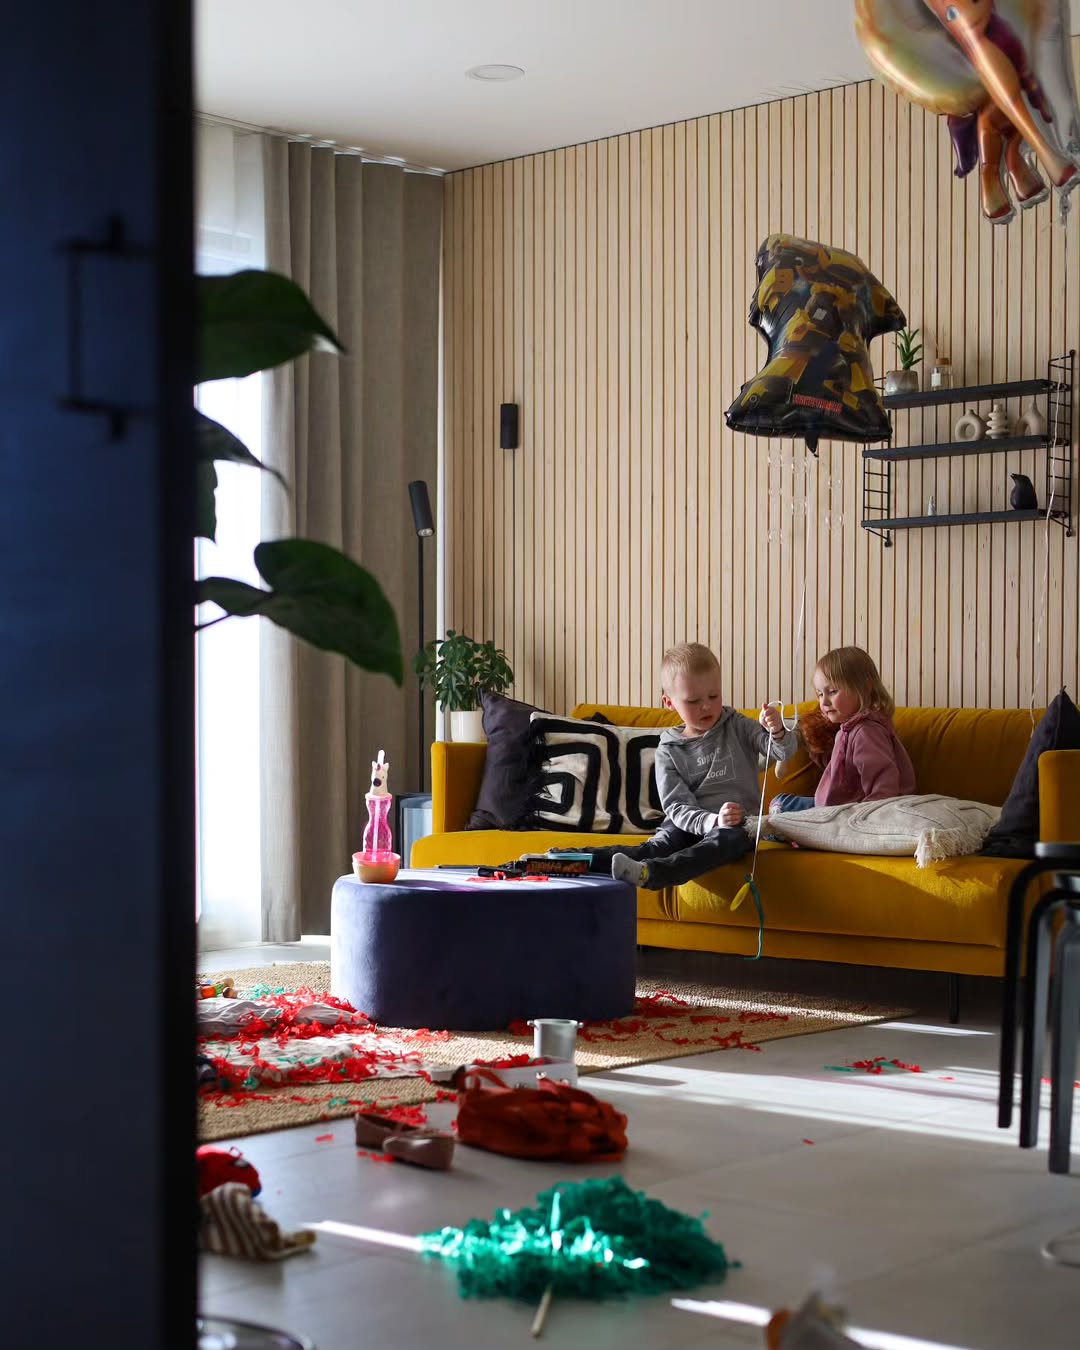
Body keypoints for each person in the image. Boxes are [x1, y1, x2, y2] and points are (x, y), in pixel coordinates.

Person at [583, 642, 797, 890]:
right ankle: (567, 859)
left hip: (737, 828)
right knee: (655, 847)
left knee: (731, 838)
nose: (706, 706)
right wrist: (713, 820)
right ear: (669, 702)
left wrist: (777, 730)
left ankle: (650, 873)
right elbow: (676, 806)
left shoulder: (737, 725)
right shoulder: (669, 749)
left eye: (713, 696)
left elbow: (783, 750)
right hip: (688, 824)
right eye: (693, 701)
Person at [772, 645, 915, 813]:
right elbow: (844, 774)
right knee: (780, 805)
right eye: (819, 694)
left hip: (852, 814)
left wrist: (865, 822)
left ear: (865, 686)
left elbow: (884, 787)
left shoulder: (866, 732)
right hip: (841, 809)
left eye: (832, 691)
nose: (824, 702)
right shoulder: (850, 729)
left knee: (780, 805)